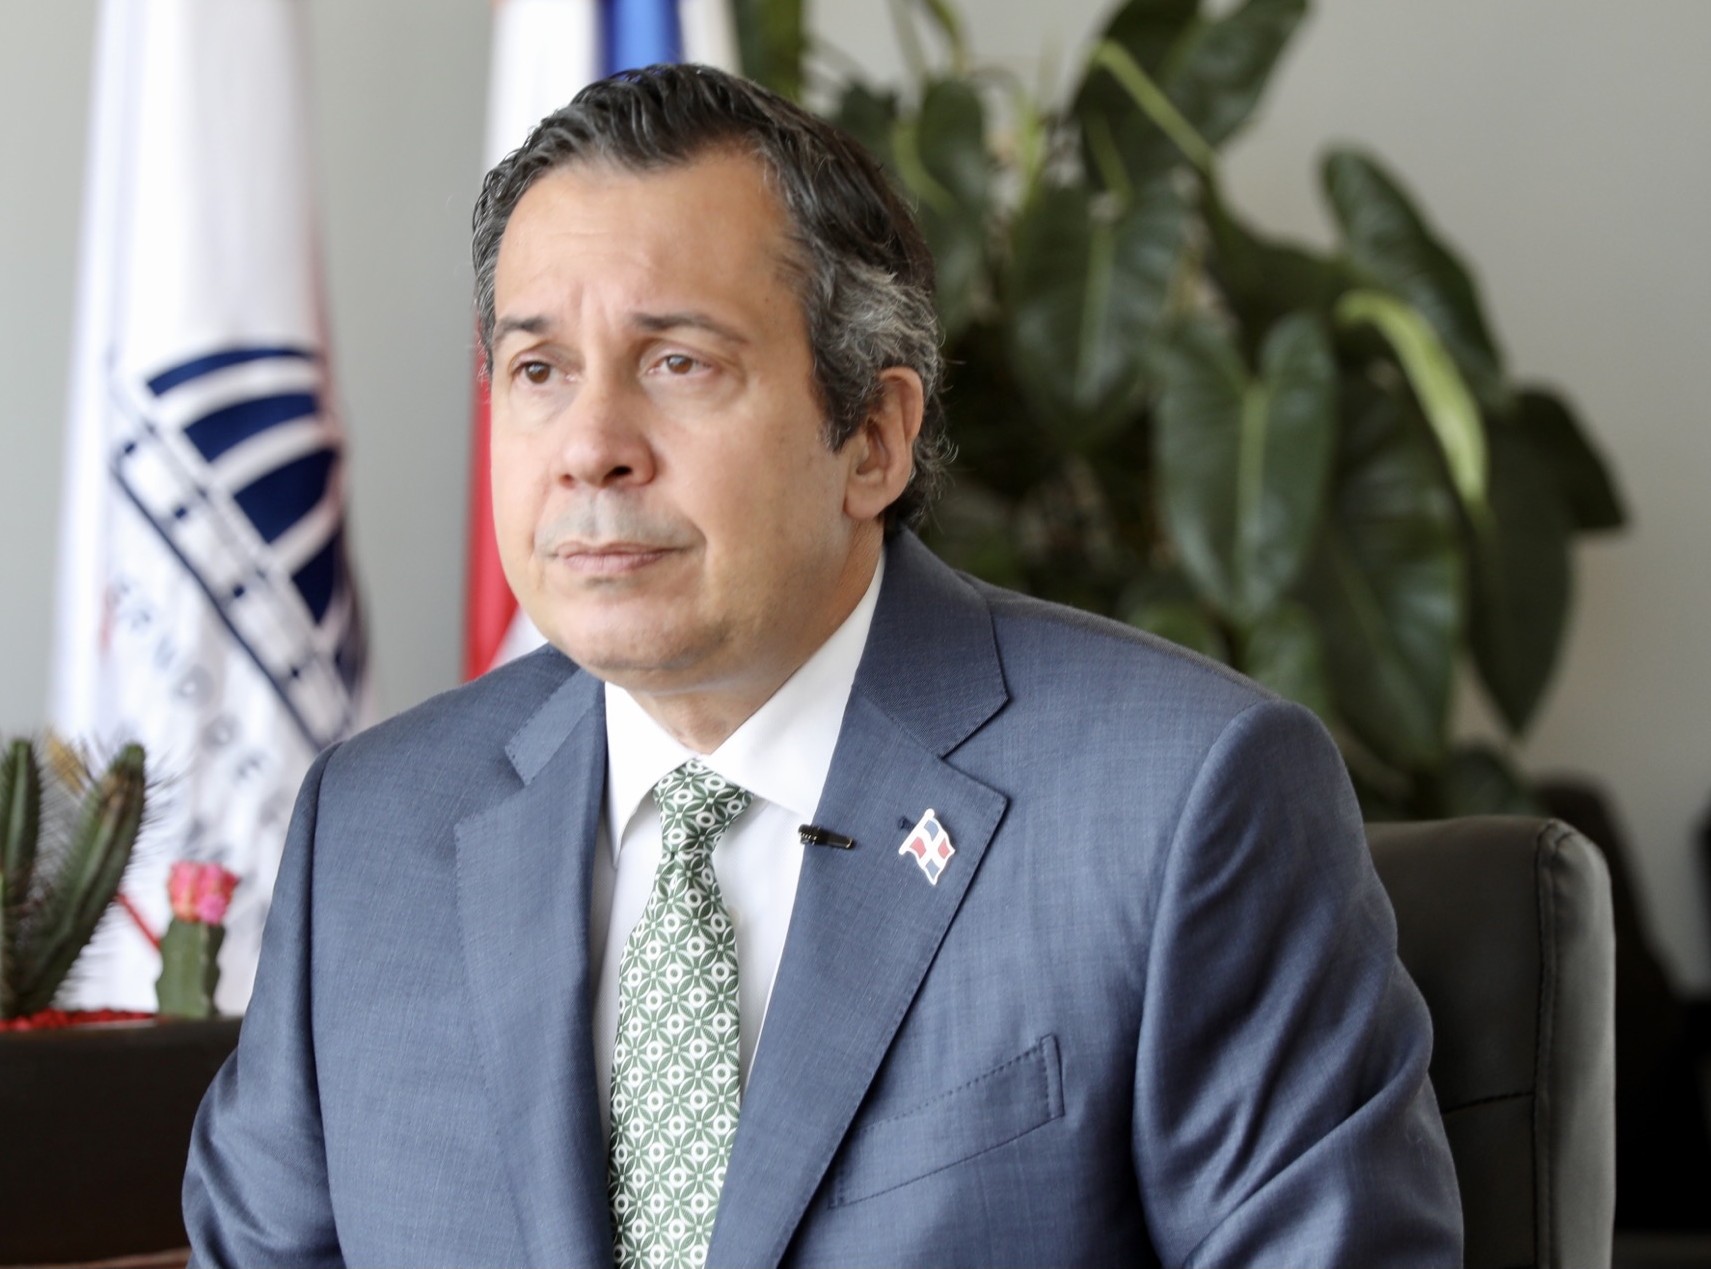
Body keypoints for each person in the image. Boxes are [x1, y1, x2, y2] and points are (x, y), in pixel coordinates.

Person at [183, 65, 1462, 1266]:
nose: (590, 445)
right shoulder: (372, 833)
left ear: (873, 439)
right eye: (539, 370)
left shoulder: (1180, 803)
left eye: (679, 362)